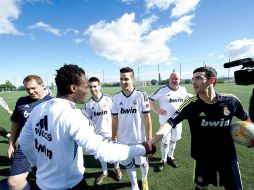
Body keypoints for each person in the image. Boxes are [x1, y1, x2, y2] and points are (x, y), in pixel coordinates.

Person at [18, 64, 155, 190]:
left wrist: (34, 164)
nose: (88, 91)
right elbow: (104, 151)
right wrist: (142, 148)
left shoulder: (38, 109)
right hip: (71, 185)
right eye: (85, 87)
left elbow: (24, 142)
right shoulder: (74, 115)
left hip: (42, 184)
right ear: (73, 88)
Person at [149, 66, 250, 190]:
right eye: (192, 78)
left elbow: (247, 119)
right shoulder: (191, 105)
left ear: (211, 80)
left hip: (228, 157)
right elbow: (169, 123)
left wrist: (251, 135)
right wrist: (151, 142)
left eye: (198, 78)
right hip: (203, 158)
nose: (193, 81)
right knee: (201, 188)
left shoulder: (231, 101)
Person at [7, 75, 52, 190]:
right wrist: (11, 143)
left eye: (34, 88)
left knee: (48, 181)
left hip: (47, 148)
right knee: (14, 184)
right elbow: (16, 123)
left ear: (42, 85)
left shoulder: (53, 102)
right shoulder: (21, 102)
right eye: (27, 89)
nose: (31, 91)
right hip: (25, 147)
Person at [112, 67, 152, 190]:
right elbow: (114, 120)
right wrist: (113, 138)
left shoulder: (141, 95)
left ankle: (144, 180)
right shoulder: (116, 97)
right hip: (123, 141)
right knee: (128, 164)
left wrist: (149, 140)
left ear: (133, 79)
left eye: (126, 79)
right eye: (121, 79)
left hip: (139, 139)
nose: (123, 82)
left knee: (143, 163)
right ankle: (134, 185)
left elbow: (147, 118)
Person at [149, 72, 190, 171]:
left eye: (176, 79)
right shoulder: (162, 90)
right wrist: (156, 110)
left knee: (173, 140)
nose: (174, 80)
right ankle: (163, 160)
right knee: (165, 141)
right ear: (169, 79)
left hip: (178, 122)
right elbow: (150, 99)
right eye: (172, 78)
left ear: (180, 80)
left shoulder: (183, 89)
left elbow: (188, 98)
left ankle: (170, 157)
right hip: (165, 123)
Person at [84, 77, 122, 185]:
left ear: (99, 86)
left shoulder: (108, 99)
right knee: (101, 154)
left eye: (95, 86)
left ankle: (117, 168)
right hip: (98, 135)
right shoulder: (88, 104)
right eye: (90, 87)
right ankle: (104, 172)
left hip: (111, 132)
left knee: (115, 151)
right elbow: (89, 121)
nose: (93, 89)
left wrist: (117, 131)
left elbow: (116, 116)